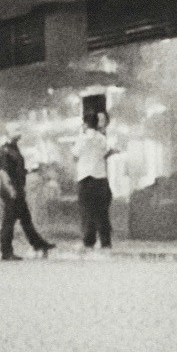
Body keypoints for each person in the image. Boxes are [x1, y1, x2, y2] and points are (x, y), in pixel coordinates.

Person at [0, 127, 53, 259]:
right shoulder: (5, 151)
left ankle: (38, 244)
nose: (19, 133)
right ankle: (6, 252)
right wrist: (11, 189)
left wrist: (30, 171)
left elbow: (17, 169)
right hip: (11, 191)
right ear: (8, 134)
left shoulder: (14, 148)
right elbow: (3, 172)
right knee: (9, 221)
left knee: (25, 219)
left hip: (18, 189)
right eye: (15, 130)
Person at [75, 95, 114, 250]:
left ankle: (89, 240)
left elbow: (75, 155)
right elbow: (106, 153)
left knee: (87, 211)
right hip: (100, 178)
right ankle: (105, 242)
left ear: (85, 123)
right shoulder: (101, 139)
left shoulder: (82, 139)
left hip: (85, 178)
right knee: (101, 212)